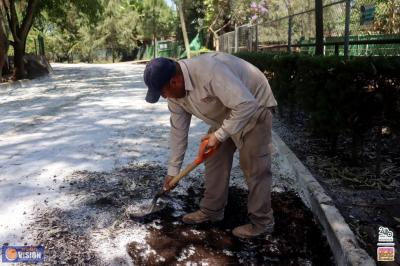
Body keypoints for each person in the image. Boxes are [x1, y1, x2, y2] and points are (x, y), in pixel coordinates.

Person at [143, 52, 277, 238]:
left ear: (174, 81)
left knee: (255, 168)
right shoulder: (175, 96)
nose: (164, 97)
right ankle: (212, 211)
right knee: (213, 158)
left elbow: (246, 104)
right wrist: (173, 171)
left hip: (254, 106)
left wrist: (220, 134)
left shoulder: (209, 72)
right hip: (227, 111)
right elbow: (178, 133)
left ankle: (262, 223)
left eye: (163, 92)